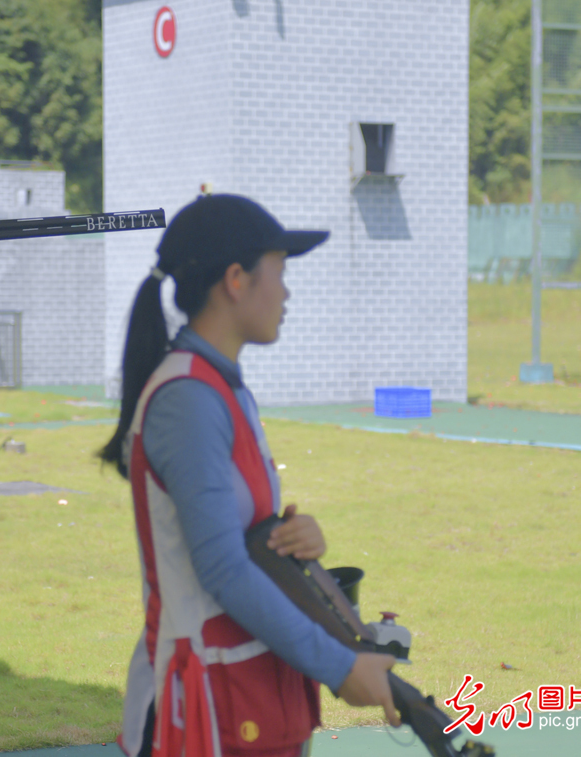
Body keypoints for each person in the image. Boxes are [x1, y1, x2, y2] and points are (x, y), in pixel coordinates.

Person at [100, 194, 400, 757]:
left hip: (240, 697)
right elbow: (221, 569)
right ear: (236, 280)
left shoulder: (220, 386)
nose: (286, 292)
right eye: (279, 272)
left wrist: (295, 538)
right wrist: (341, 666)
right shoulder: (188, 397)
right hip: (201, 708)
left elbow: (241, 539)